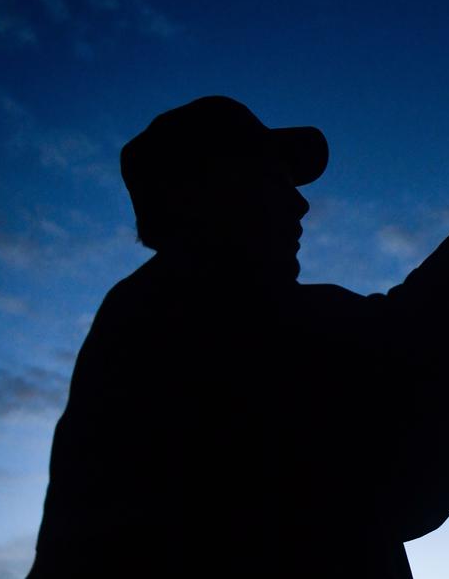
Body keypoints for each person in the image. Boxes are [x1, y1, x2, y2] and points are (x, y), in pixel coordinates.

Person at [27, 96, 409, 577]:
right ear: (215, 190)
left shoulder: (145, 310)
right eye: (274, 180)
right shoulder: (195, 312)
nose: (301, 203)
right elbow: (411, 334)